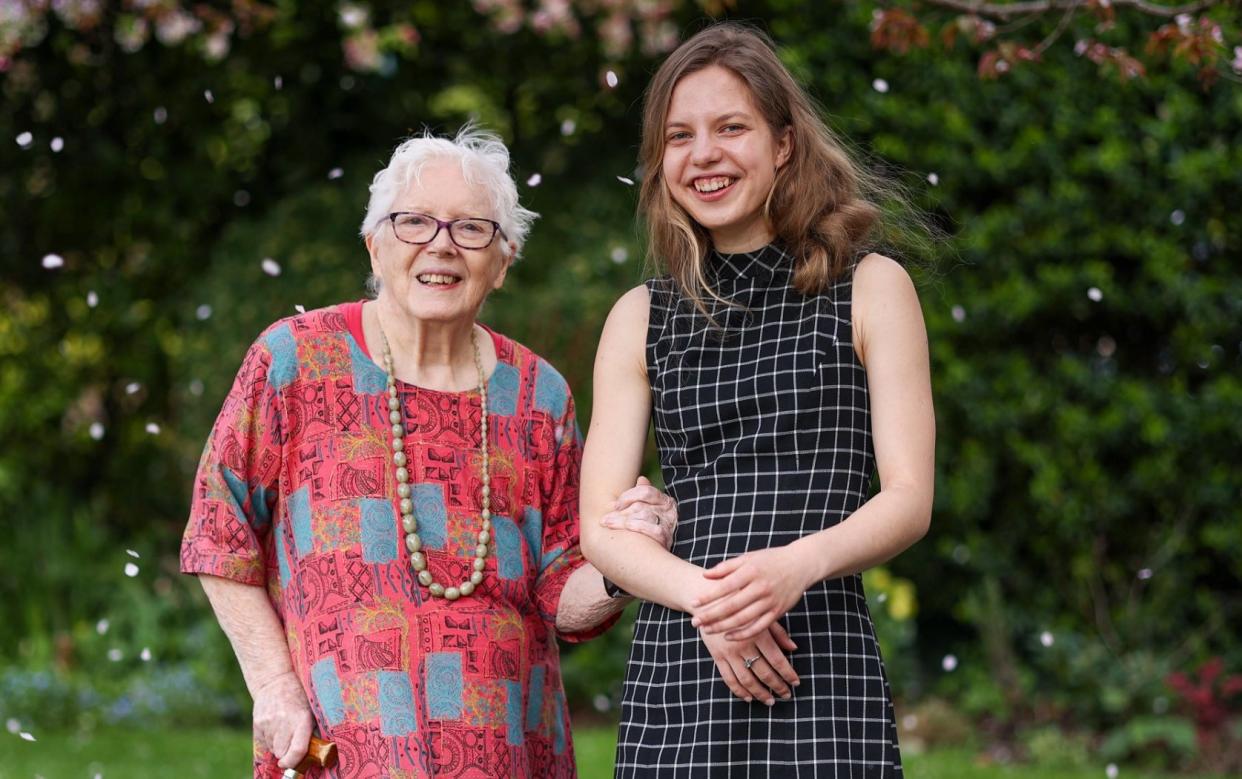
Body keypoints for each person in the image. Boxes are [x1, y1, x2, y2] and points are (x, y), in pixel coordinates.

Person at [181, 126, 678, 778]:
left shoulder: (538, 395)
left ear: (503, 262)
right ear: (374, 243)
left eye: (472, 229)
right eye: (414, 221)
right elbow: (221, 531)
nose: (440, 244)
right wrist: (273, 683)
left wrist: (627, 558)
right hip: (339, 752)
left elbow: (564, 591)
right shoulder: (295, 361)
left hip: (504, 751)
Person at [580, 22, 935, 776]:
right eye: (679, 135)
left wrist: (794, 568)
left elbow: (909, 497)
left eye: (730, 127)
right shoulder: (639, 317)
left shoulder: (871, 289)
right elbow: (601, 529)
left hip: (817, 651)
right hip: (681, 662)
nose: (703, 154)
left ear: (782, 143)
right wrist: (713, 603)